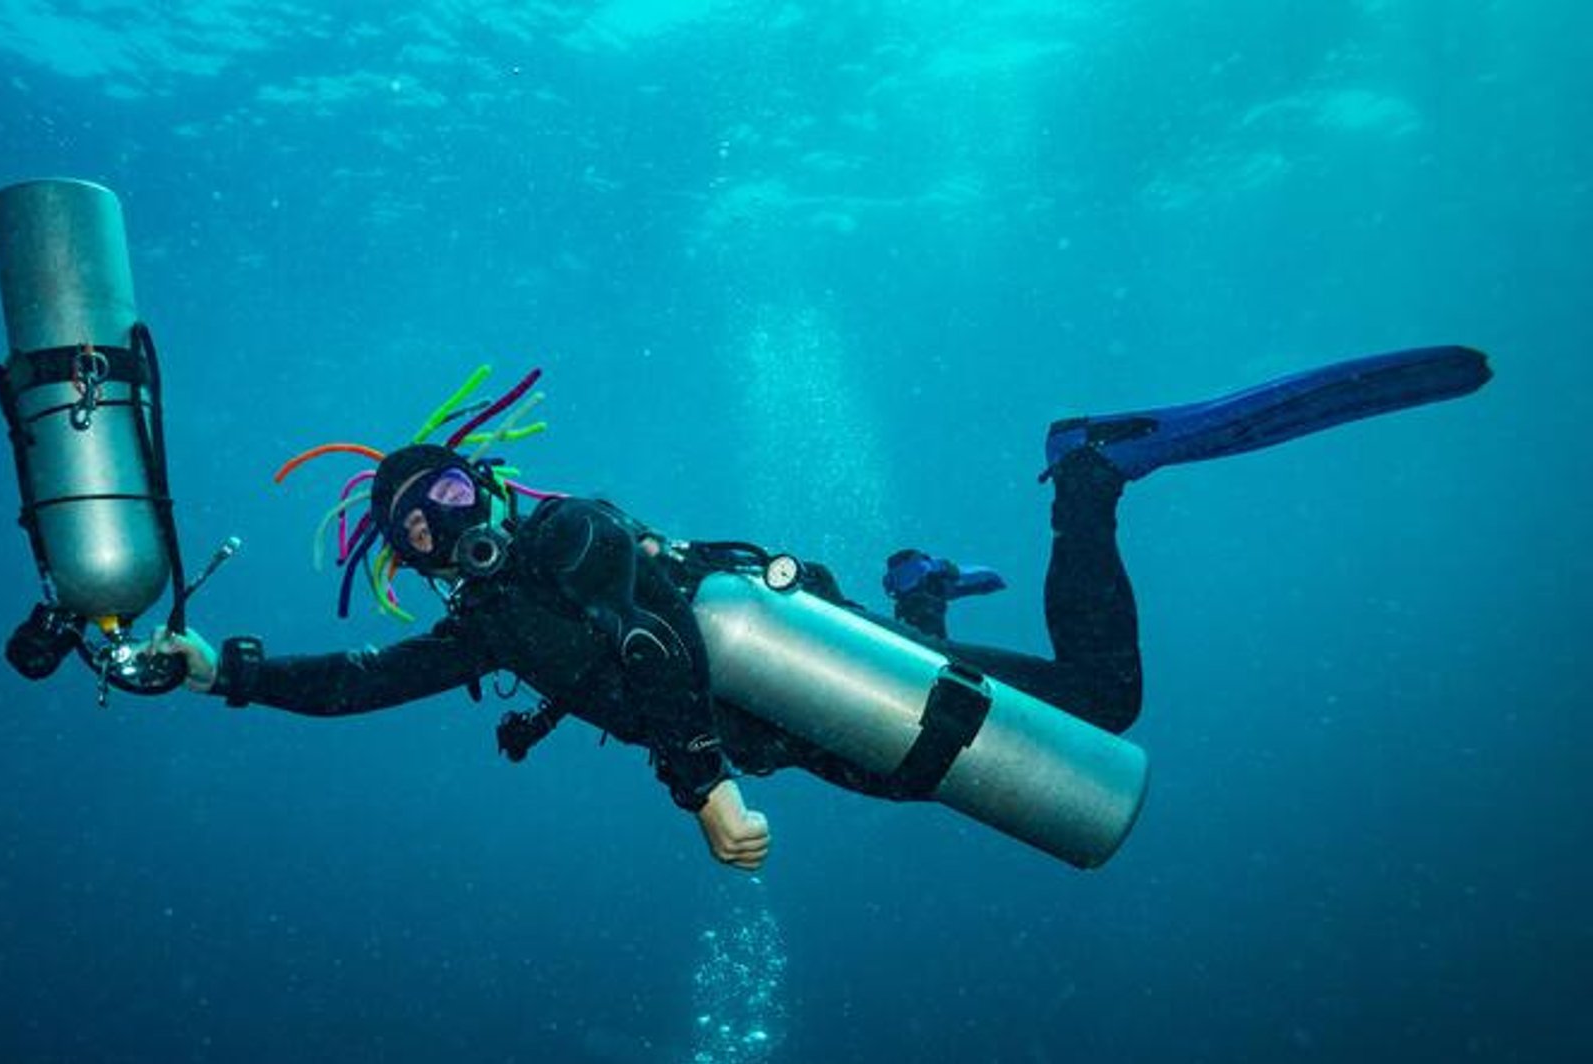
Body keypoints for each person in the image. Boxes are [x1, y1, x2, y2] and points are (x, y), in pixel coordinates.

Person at [152, 347, 1491, 872]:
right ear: (412, 560)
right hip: (823, 701)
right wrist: (228, 669)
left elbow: (657, 643)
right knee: (920, 769)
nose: (446, 521)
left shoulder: (571, 530)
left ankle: (1091, 470)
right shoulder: (488, 629)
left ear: (487, 475)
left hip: (786, 691)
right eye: (417, 527)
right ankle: (918, 585)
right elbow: (361, 686)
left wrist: (705, 795)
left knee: (1103, 705)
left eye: (446, 489)